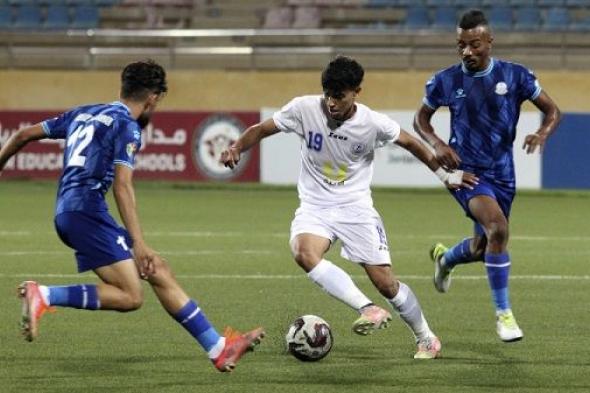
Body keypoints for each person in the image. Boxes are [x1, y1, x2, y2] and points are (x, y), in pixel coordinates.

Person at [0, 59, 264, 372]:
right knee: (130, 296)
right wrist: (138, 242)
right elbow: (122, 186)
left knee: (157, 269)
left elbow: (21, 136)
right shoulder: (127, 126)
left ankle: (218, 347)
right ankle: (44, 294)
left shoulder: (84, 111)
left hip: (71, 211)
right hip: (86, 212)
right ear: (153, 98)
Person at [220, 55, 478, 359]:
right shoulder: (304, 108)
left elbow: (410, 143)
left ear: (357, 91)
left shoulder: (372, 123)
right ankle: (367, 309)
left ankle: (426, 338)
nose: (331, 102)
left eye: (339, 95)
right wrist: (237, 146)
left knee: (386, 283)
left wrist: (444, 175)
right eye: (328, 94)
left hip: (355, 208)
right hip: (315, 205)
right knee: (304, 253)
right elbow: (262, 129)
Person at [413, 9, 561, 343]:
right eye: (461, 45)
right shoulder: (446, 80)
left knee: (484, 246)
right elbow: (420, 120)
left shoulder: (517, 75)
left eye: (474, 44)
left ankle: (445, 258)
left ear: (489, 42)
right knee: (498, 229)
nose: (467, 52)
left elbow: (553, 111)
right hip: (465, 173)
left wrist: (542, 133)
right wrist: (436, 143)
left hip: (503, 175)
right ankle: (504, 315)